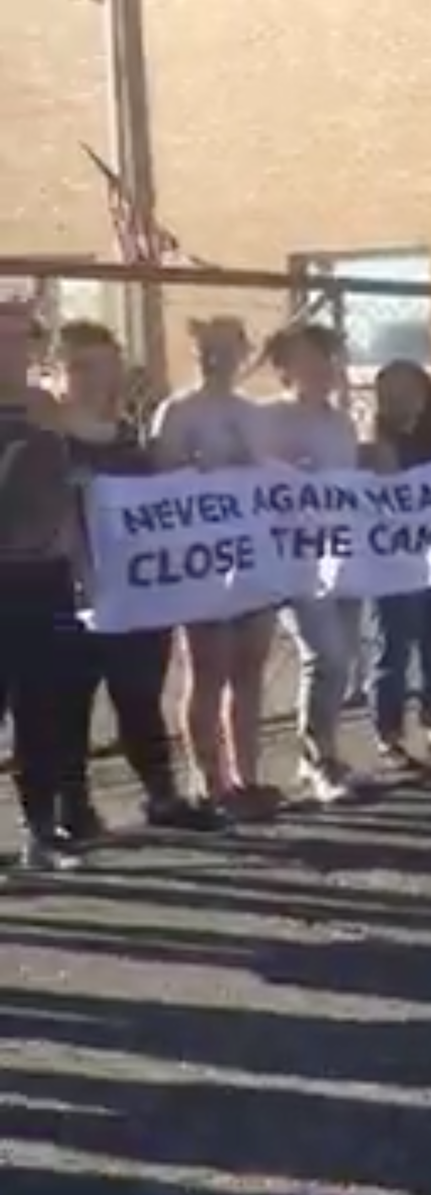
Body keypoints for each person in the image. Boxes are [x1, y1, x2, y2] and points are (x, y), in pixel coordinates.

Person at [49, 320, 229, 839]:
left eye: (103, 367)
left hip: (136, 593)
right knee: (67, 703)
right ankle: (72, 808)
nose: (93, 380)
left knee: (140, 695)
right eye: (79, 367)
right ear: (57, 371)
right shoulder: (47, 438)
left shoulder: (131, 437)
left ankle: (162, 794)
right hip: (67, 593)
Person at [149, 316, 277, 817]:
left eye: (226, 348)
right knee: (208, 669)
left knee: (249, 668)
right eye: (207, 349)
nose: (216, 358)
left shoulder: (254, 413)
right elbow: (163, 481)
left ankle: (248, 775)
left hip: (252, 557)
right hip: (202, 559)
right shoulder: (177, 411)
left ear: (243, 351)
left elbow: (272, 479)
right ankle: (209, 780)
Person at [257, 324, 367, 804]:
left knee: (343, 661)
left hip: (341, 554)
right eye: (310, 358)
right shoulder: (265, 419)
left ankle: (320, 752)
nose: (324, 368)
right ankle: (319, 759)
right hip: (293, 556)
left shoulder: (342, 422)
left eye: (329, 358)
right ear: (284, 368)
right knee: (325, 655)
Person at [0, 294, 88, 868]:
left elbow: (70, 491)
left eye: (21, 339)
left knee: (43, 705)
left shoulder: (46, 408)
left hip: (45, 575)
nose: (11, 350)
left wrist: (79, 564)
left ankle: (40, 830)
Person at [364, 360, 431, 767]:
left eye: (411, 391)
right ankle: (388, 732)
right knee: (393, 644)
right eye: (392, 393)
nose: (402, 400)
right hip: (392, 561)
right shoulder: (373, 444)